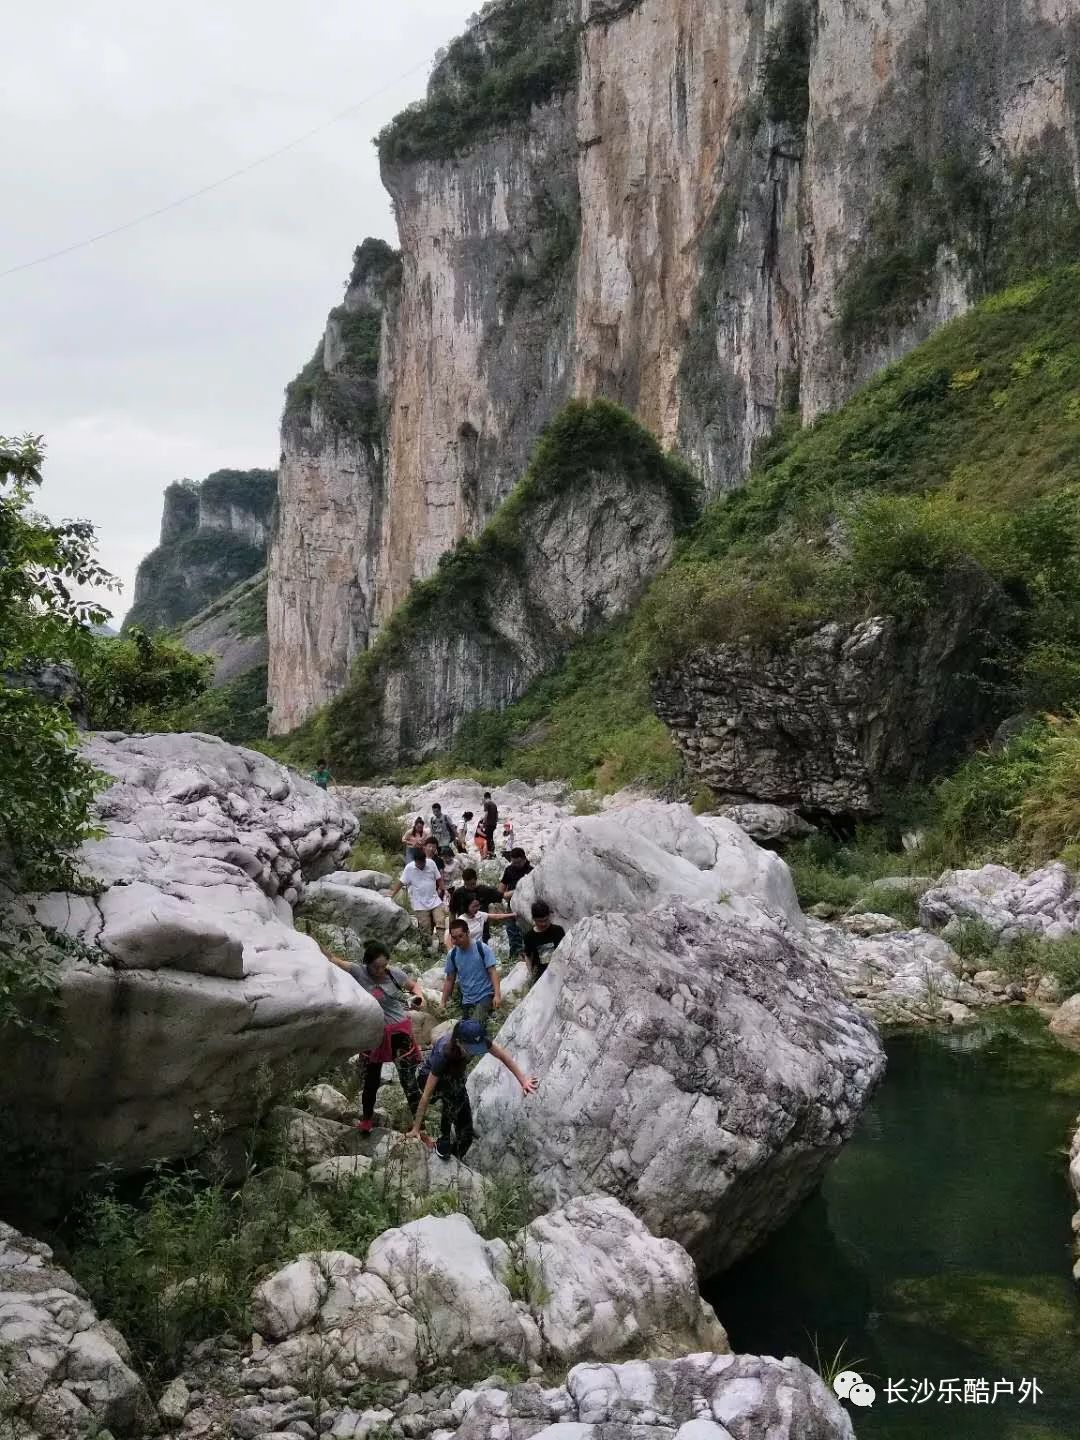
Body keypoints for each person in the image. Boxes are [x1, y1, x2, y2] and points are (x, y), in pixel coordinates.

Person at [406, 1018, 538, 1160]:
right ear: (458, 1042)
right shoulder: (443, 1054)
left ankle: (455, 1156)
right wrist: (416, 1128)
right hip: (428, 1078)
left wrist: (523, 1080)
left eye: (477, 1048)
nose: (475, 1052)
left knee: (466, 1133)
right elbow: (426, 1095)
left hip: (454, 1078)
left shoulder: (478, 1040)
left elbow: (503, 1056)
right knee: (453, 1094)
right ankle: (444, 1137)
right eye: (471, 1049)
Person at [328, 941, 424, 1134]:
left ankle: (420, 1128)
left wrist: (418, 999)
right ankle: (367, 1121)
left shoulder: (395, 973)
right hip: (373, 1033)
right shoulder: (358, 972)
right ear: (367, 964)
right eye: (375, 967)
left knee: (408, 1081)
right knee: (371, 1078)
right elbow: (333, 960)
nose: (380, 970)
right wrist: (310, 940)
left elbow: (414, 986)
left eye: (383, 966)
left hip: (399, 1032)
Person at [441, 916, 500, 1022]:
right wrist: (443, 1002)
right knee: (464, 1028)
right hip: (467, 1000)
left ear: (468, 933)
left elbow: (493, 972)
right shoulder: (452, 955)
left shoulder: (482, 948)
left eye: (460, 936)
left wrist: (497, 995)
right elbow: (450, 979)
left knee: (474, 1026)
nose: (457, 940)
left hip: (485, 995)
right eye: (454, 938)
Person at [390, 847, 447, 944]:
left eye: (423, 863)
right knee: (425, 928)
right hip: (419, 904)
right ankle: (426, 949)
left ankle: (442, 946)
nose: (421, 865)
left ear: (425, 860)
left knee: (440, 921)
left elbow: (439, 878)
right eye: (419, 863)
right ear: (415, 861)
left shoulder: (431, 864)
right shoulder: (409, 868)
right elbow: (401, 882)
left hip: (434, 900)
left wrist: (444, 890)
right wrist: (392, 894)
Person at [499, 847, 533, 961]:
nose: (515, 865)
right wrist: (511, 893)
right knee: (512, 930)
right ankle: (515, 956)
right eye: (513, 862)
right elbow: (501, 891)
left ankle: (528, 955)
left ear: (524, 859)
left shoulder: (531, 872)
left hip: (527, 906)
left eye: (517, 863)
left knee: (527, 932)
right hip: (512, 905)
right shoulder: (509, 870)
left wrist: (515, 891)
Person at [445, 893, 515, 948]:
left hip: (479, 949)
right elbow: (449, 937)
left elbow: (496, 916)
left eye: (478, 906)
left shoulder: (480, 915)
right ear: (467, 906)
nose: (477, 908)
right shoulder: (461, 920)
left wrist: (512, 914)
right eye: (474, 906)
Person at [523, 900, 566, 982]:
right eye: (540, 921)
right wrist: (531, 974)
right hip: (541, 978)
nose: (543, 924)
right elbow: (528, 956)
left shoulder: (558, 931)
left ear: (549, 916)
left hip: (559, 974)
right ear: (534, 919)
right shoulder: (529, 936)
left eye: (546, 920)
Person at [482, 791, 499, 858]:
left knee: (487, 838)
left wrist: (483, 822)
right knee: (490, 837)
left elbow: (486, 813)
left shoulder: (486, 803)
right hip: (493, 824)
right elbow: (497, 814)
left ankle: (489, 853)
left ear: (485, 797)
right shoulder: (494, 804)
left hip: (488, 824)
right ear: (490, 796)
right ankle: (492, 851)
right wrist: (495, 822)